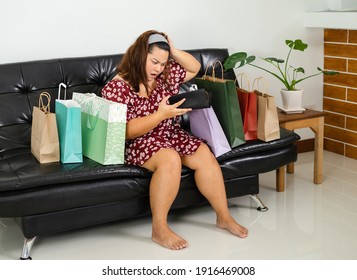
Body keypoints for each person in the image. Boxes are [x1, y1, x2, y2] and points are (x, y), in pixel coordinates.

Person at [101, 30, 248, 250]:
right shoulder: (117, 87)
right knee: (170, 159)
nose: (158, 68)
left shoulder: (164, 76)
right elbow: (126, 131)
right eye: (154, 62)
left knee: (203, 154)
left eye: (163, 63)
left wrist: (173, 50)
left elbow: (194, 68)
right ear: (140, 54)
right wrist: (161, 115)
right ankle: (159, 229)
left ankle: (223, 217)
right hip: (139, 141)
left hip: (170, 134)